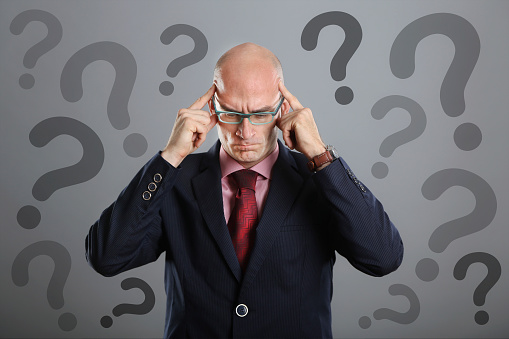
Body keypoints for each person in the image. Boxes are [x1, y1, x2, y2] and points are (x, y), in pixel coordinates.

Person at [86, 42, 403, 339]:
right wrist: (169, 157)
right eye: (232, 113)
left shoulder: (320, 181)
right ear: (212, 108)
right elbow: (107, 257)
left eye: (261, 114)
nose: (246, 131)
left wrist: (321, 155)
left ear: (282, 110)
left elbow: (383, 258)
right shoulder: (173, 182)